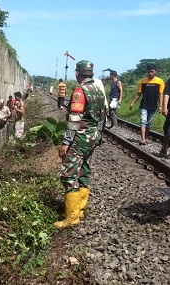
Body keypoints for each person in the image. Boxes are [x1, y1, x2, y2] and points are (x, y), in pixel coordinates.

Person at [55, 60, 105, 229]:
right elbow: (102, 118)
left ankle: (72, 216)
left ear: (77, 73)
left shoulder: (80, 91)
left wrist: (66, 142)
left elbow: (74, 119)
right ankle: (80, 209)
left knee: (69, 174)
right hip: (93, 137)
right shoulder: (98, 90)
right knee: (84, 170)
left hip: (80, 138)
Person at [129, 64, 166, 145]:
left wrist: (160, 106)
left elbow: (161, 94)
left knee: (148, 124)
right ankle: (142, 139)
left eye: (152, 71)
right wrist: (132, 103)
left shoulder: (160, 82)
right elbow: (138, 93)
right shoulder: (142, 81)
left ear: (155, 71)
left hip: (153, 105)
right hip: (144, 105)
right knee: (143, 122)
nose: (150, 73)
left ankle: (145, 137)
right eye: (149, 72)